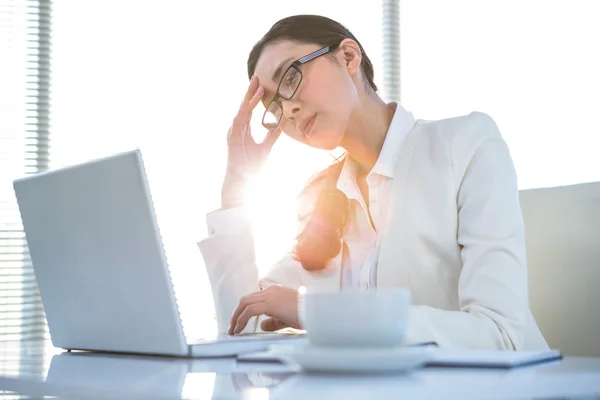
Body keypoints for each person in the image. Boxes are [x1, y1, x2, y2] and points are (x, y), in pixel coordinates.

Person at [197, 14, 549, 350]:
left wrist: (316, 314)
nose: (287, 110)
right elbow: (243, 327)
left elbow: (499, 335)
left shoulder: (466, 143)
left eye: (290, 78)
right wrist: (234, 192)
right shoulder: (319, 202)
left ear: (348, 56)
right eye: (273, 108)